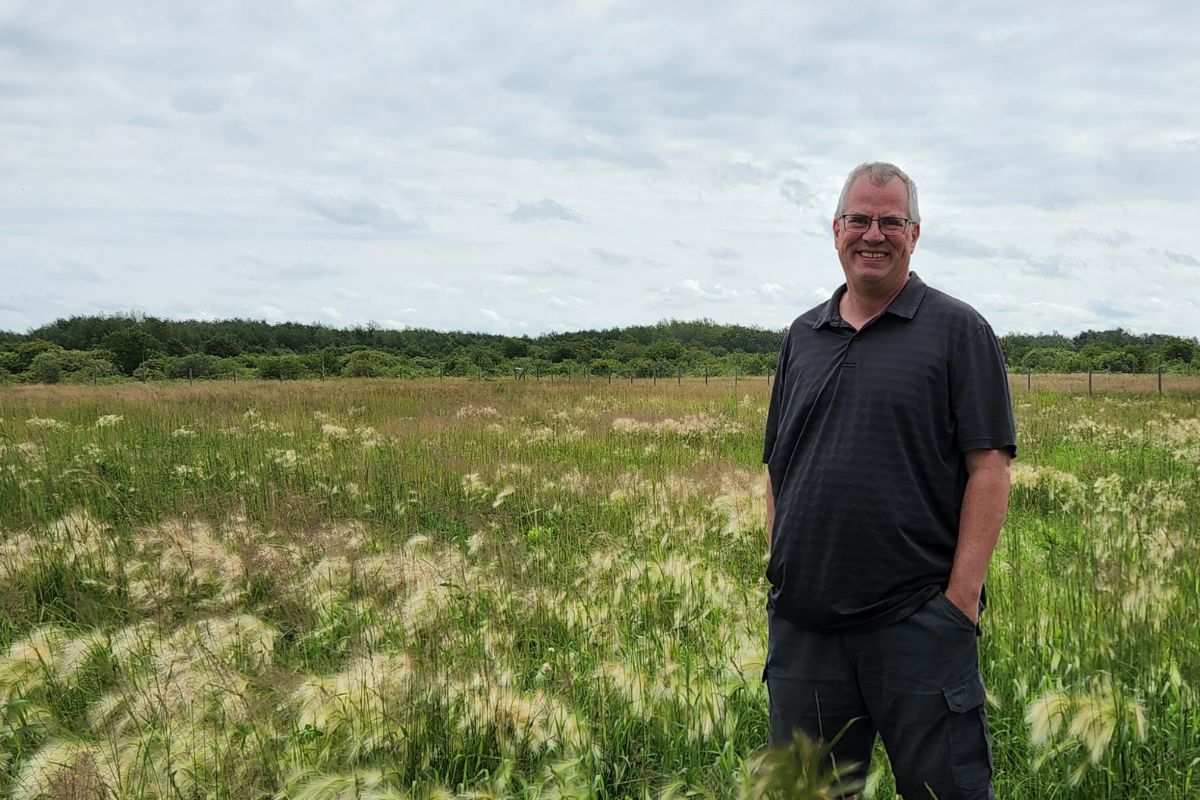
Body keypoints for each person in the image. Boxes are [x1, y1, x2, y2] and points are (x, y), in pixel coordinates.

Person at [762, 162, 1016, 799]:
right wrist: (780, 570)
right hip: (805, 634)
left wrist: (959, 603)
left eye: (891, 221)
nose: (873, 234)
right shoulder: (802, 336)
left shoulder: (958, 331)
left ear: (915, 232)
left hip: (917, 628)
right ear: (836, 228)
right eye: (860, 219)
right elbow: (777, 465)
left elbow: (990, 467)